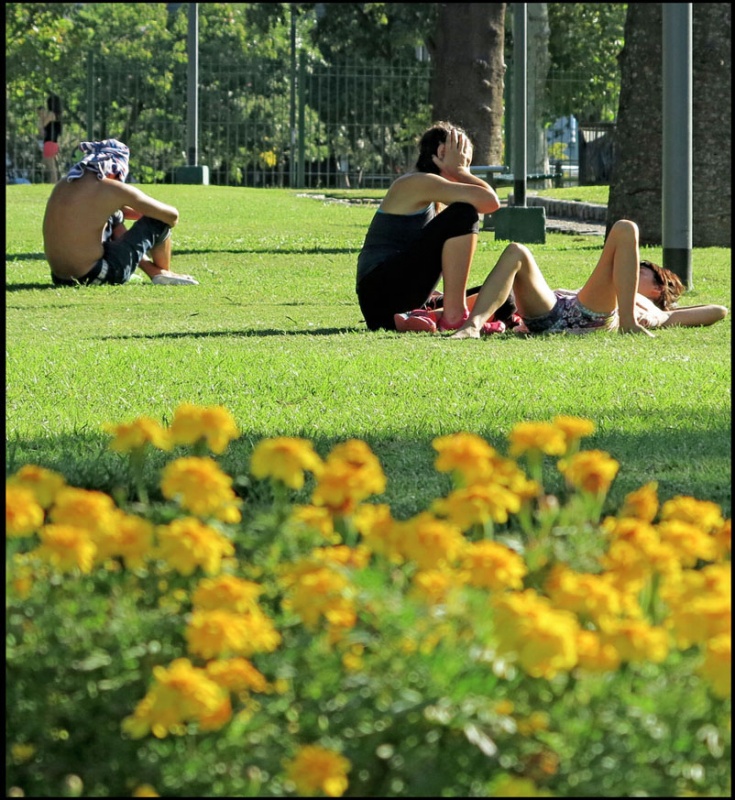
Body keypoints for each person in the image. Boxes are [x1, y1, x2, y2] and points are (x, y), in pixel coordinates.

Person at [450, 219, 728, 339]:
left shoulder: (656, 311)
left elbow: (718, 311)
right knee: (516, 251)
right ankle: (471, 326)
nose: (628, 263)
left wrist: (651, 313)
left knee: (626, 229)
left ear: (657, 287)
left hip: (591, 318)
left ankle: (628, 326)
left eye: (638, 266)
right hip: (553, 311)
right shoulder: (605, 290)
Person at [355, 121, 503, 332]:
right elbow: (490, 202)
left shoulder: (432, 192)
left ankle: (425, 316)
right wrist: (460, 171)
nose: (467, 168)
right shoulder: (414, 182)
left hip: (395, 300)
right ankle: (453, 316)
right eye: (464, 160)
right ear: (442, 152)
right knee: (464, 213)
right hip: (381, 293)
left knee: (504, 299)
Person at [43, 138, 199, 287]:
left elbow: (92, 212)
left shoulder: (65, 183)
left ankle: (156, 272)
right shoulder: (110, 189)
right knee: (158, 220)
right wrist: (148, 213)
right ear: (115, 167)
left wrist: (126, 211)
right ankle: (164, 273)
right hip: (95, 275)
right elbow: (172, 216)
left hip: (60, 277)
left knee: (114, 215)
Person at [37, 93, 62, 183]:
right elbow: (42, 132)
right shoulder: (57, 115)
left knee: (51, 166)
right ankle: (53, 181)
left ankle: (54, 182)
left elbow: (42, 126)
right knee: (48, 163)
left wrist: (41, 117)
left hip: (50, 142)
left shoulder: (52, 114)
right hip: (51, 141)